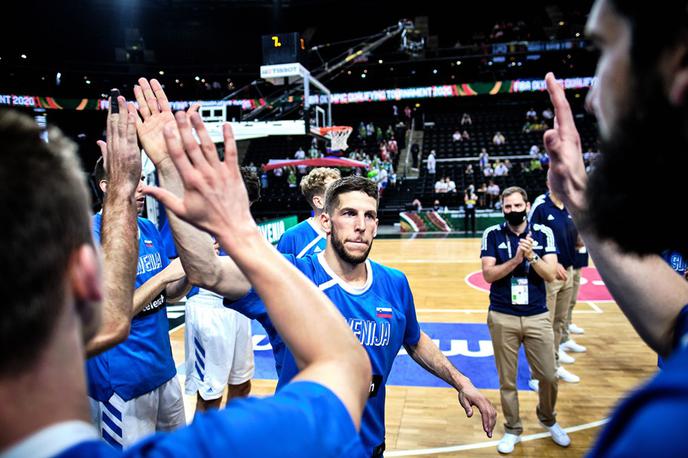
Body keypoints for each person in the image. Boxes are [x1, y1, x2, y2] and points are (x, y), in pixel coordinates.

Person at [542, 0, 688, 455]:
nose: (590, 98)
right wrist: (577, 193)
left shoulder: (663, 428)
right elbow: (679, 320)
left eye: (604, 50)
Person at [88, 145, 190, 447]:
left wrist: (187, 275)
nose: (142, 188)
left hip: (164, 372)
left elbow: (168, 295)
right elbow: (110, 315)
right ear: (106, 186)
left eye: (142, 178)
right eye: (133, 179)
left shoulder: (147, 227)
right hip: (120, 383)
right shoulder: (89, 236)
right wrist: (164, 276)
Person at [481, 187, 570, 453]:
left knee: (548, 375)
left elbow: (551, 273)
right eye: (508, 207)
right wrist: (516, 259)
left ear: (527, 205)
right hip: (502, 316)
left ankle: (548, 417)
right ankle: (512, 428)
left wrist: (531, 256)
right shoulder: (492, 234)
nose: (513, 211)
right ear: (502, 209)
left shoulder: (544, 234)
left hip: (537, 315)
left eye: (517, 205)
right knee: (507, 380)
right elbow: (488, 274)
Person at [183, 168, 261, 413]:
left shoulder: (248, 225)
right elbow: (177, 263)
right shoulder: (199, 220)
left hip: (239, 308)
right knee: (210, 395)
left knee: (242, 384)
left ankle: (231, 440)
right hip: (208, 309)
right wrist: (201, 253)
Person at [529, 185, 582, 383]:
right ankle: (538, 375)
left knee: (559, 322)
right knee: (545, 326)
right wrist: (554, 262)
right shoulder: (541, 206)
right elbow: (531, 235)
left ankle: (554, 365)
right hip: (550, 274)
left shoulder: (568, 207)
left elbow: (574, 238)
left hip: (568, 271)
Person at [277, 167, 341, 258]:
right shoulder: (291, 237)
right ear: (318, 202)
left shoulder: (348, 231)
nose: (343, 196)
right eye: (336, 193)